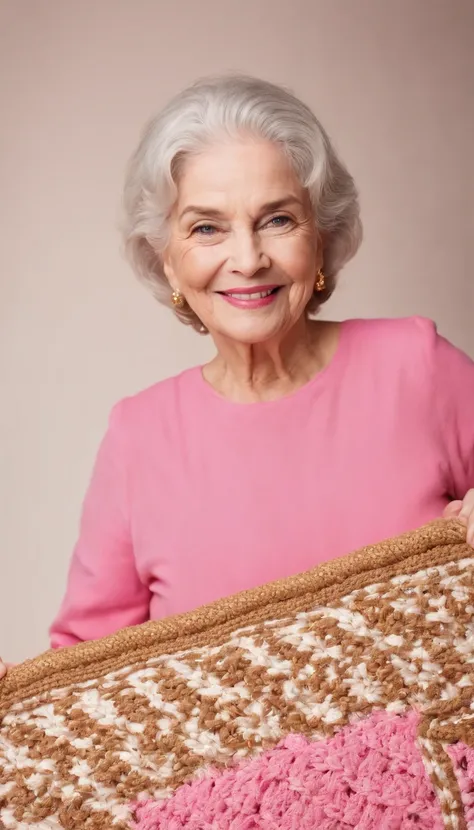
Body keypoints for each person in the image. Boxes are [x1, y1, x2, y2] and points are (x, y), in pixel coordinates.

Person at [1, 75, 473, 677]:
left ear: (320, 238)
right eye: (206, 228)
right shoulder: (138, 439)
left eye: (277, 219)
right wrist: (18, 698)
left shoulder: (416, 364)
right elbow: (88, 678)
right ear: (166, 259)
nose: (248, 260)